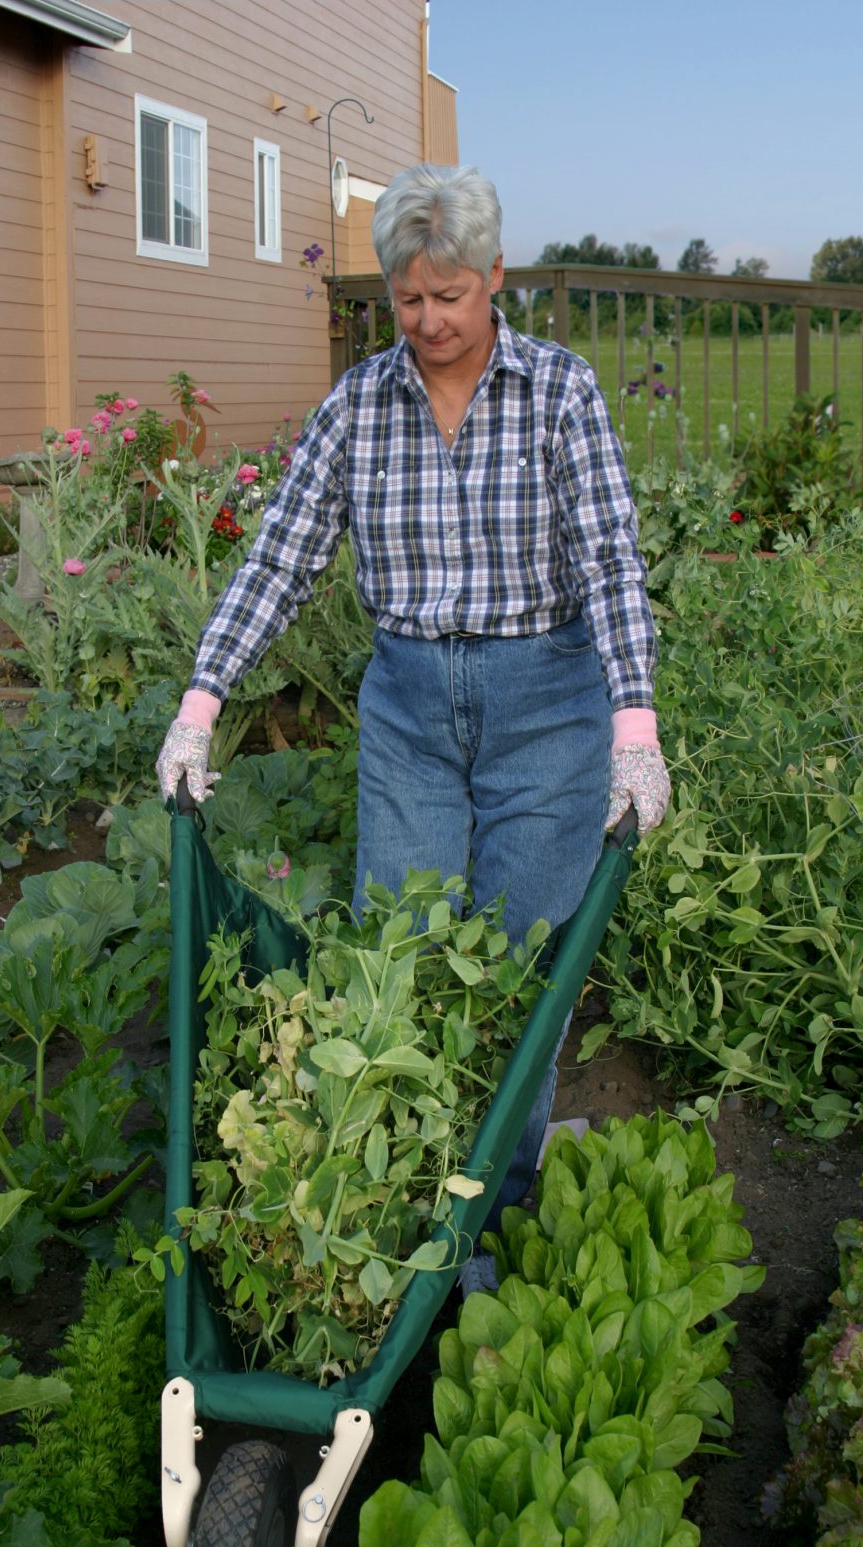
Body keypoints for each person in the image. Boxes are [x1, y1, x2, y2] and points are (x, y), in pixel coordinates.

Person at [157, 162, 670, 1289]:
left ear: (495, 277)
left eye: (450, 295)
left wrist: (634, 723)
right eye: (406, 299)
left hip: (548, 705)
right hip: (408, 716)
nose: (430, 321)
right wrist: (201, 704)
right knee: (402, 956)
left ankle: (495, 1215)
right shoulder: (357, 408)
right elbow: (282, 560)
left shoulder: (559, 393)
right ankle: (410, 1201)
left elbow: (611, 564)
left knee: (525, 967)